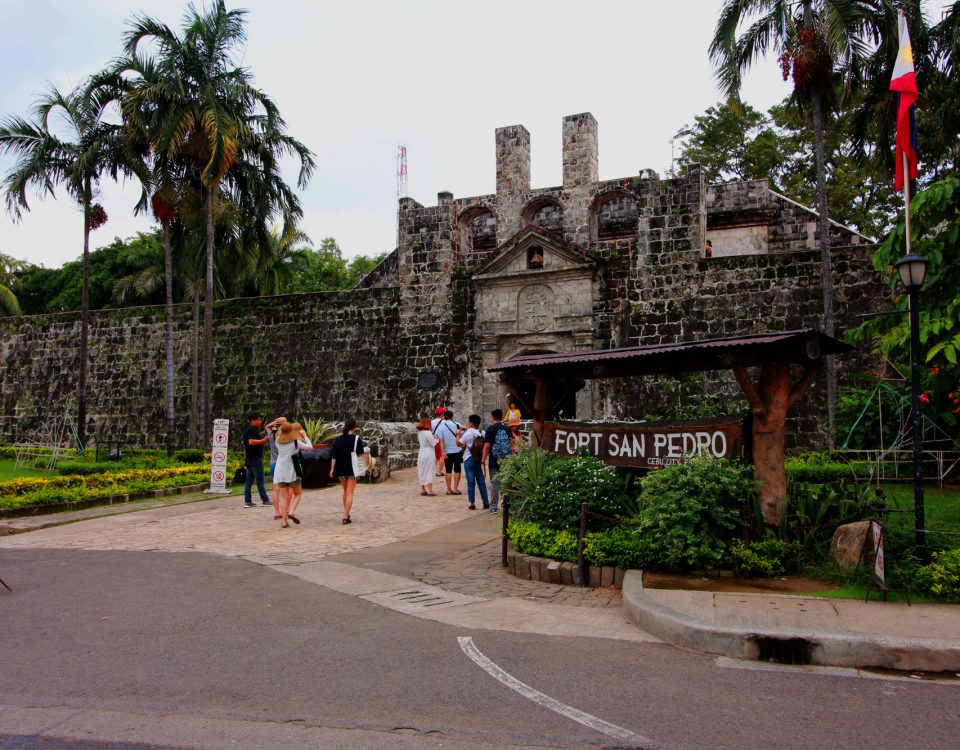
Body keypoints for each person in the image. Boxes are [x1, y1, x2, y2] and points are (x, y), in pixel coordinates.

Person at [274, 421, 312, 528]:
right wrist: (305, 436)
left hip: (281, 472)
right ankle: (291, 511)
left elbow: (280, 435)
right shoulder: (295, 442)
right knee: (298, 494)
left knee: (284, 497)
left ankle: (284, 521)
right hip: (292, 472)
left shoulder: (277, 441)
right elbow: (310, 447)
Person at [329, 418, 367, 524]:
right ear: (354, 428)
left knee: (345, 491)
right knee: (350, 492)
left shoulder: (338, 440)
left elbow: (334, 456)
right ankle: (345, 516)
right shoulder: (357, 439)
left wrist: (332, 469)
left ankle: (346, 512)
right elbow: (360, 455)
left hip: (340, 468)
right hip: (352, 468)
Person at [482, 408, 513, 514]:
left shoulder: (490, 429)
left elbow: (487, 446)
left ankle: (494, 507)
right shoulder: (507, 429)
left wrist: (483, 459)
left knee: (495, 483)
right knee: (506, 483)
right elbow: (511, 445)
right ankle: (507, 505)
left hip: (494, 460)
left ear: (493, 417)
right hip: (506, 460)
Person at [457, 414, 489, 510]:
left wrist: (458, 434)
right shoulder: (482, 433)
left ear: (471, 423)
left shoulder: (468, 433)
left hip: (469, 458)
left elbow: (459, 443)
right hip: (479, 459)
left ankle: (472, 504)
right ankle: (486, 503)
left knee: (471, 482)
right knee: (481, 482)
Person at [241, 413, 271, 508]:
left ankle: (248, 501)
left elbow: (245, 446)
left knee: (249, 481)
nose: (260, 422)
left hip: (249, 459)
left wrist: (245, 458)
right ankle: (265, 500)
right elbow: (251, 442)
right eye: (258, 420)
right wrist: (264, 440)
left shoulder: (248, 430)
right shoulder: (252, 430)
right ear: (253, 420)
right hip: (254, 459)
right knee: (260, 480)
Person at [435, 408, 463, 495]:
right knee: (457, 470)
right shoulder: (457, 424)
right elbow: (461, 436)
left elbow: (441, 441)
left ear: (444, 416)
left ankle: (448, 489)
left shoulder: (441, 427)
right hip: (457, 450)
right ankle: (455, 489)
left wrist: (443, 452)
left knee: (448, 470)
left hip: (447, 451)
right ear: (452, 417)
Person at [265, 416, 287, 520]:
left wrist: (274, 422)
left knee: (276, 490)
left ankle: (277, 512)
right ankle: (286, 510)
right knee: (286, 490)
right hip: (283, 464)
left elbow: (266, 426)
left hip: (273, 463)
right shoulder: (284, 435)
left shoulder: (270, 434)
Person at [416, 416, 439, 496]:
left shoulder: (420, 433)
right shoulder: (428, 432)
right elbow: (433, 443)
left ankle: (423, 489)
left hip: (421, 452)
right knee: (429, 470)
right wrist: (437, 438)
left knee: (422, 469)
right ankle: (430, 491)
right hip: (428, 452)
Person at [432, 406, 446, 477]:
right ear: (442, 414)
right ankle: (439, 472)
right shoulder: (444, 422)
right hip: (441, 440)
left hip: (434, 440)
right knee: (442, 456)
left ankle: (432, 471)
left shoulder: (432, 422)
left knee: (435, 457)